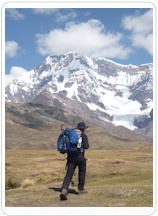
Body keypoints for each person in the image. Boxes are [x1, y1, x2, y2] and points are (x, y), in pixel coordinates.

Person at [60, 122, 89, 201]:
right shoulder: (83, 135)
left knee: (69, 173)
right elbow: (86, 146)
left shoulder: (71, 133)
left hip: (70, 157)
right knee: (82, 172)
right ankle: (81, 189)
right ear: (83, 129)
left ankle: (64, 189)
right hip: (80, 156)